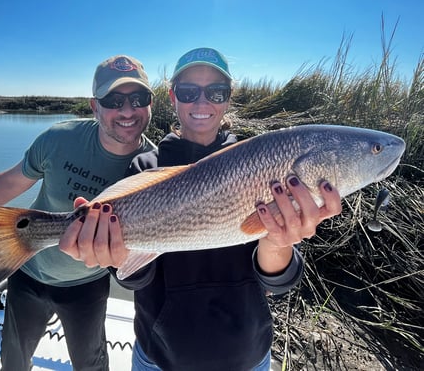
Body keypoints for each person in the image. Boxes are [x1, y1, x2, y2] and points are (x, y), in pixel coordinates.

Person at [60, 47, 343, 371]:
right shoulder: (145, 167)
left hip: (247, 355)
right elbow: (134, 276)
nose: (202, 102)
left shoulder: (262, 163)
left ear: (228, 98)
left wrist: (278, 242)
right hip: (159, 359)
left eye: (216, 92)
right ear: (172, 96)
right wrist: (112, 253)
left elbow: (276, 282)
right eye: (189, 91)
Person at [0, 54, 156, 371]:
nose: (128, 110)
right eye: (114, 99)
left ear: (150, 103)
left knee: (91, 364)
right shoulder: (59, 139)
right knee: (14, 360)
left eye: (139, 98)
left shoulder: (155, 170)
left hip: (86, 285)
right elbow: (9, 183)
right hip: (28, 271)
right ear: (94, 106)